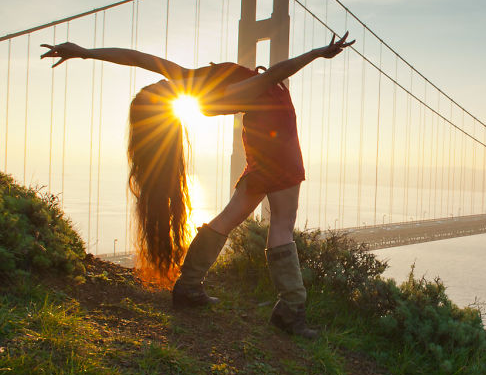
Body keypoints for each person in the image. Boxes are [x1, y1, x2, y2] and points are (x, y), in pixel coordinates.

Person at [41, 33, 354, 338]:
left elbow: (138, 58)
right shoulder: (227, 93)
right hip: (280, 155)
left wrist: (86, 51)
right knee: (283, 224)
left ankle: (189, 287)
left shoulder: (192, 80)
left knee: (230, 219)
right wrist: (316, 53)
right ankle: (291, 311)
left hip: (261, 155)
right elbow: (275, 73)